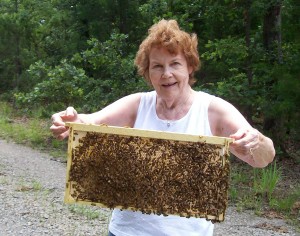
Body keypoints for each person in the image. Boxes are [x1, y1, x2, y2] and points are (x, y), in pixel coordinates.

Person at [50, 19, 275, 236]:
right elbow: (89, 123)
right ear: (148, 73)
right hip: (125, 232)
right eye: (157, 66)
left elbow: (263, 158)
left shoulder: (214, 110)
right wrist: (70, 122)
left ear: (190, 66)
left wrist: (257, 142)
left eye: (174, 63)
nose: (166, 74)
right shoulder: (137, 104)